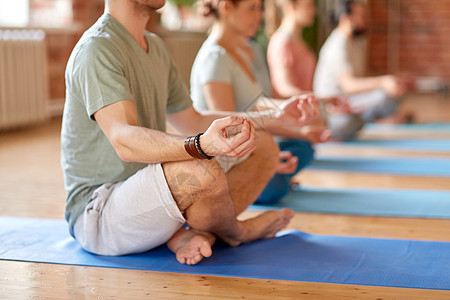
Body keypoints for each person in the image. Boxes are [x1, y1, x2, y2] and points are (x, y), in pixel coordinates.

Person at [61, 0, 320, 265]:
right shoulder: (98, 47)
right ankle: (237, 232)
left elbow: (192, 119)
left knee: (261, 144)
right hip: (100, 213)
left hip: (150, 199)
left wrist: (273, 115)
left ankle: (190, 234)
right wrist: (202, 146)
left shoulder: (156, 47)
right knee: (198, 168)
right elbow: (123, 141)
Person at [191, 0, 327, 205]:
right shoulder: (214, 58)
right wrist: (266, 160)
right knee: (276, 187)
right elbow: (228, 133)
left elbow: (255, 105)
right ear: (227, 8)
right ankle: (264, 179)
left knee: (304, 148)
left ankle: (269, 176)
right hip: (224, 163)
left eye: (260, 9)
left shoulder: (239, 53)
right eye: (252, 8)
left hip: (250, 146)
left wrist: (299, 129)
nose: (260, 16)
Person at [314, 0, 408, 140]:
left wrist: (391, 79)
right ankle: (377, 121)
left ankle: (376, 120)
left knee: (395, 90)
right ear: (346, 18)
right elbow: (349, 85)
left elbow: (362, 78)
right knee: (379, 99)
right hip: (335, 109)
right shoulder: (337, 46)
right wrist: (382, 81)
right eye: (361, 16)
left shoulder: (355, 42)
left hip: (351, 100)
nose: (365, 21)